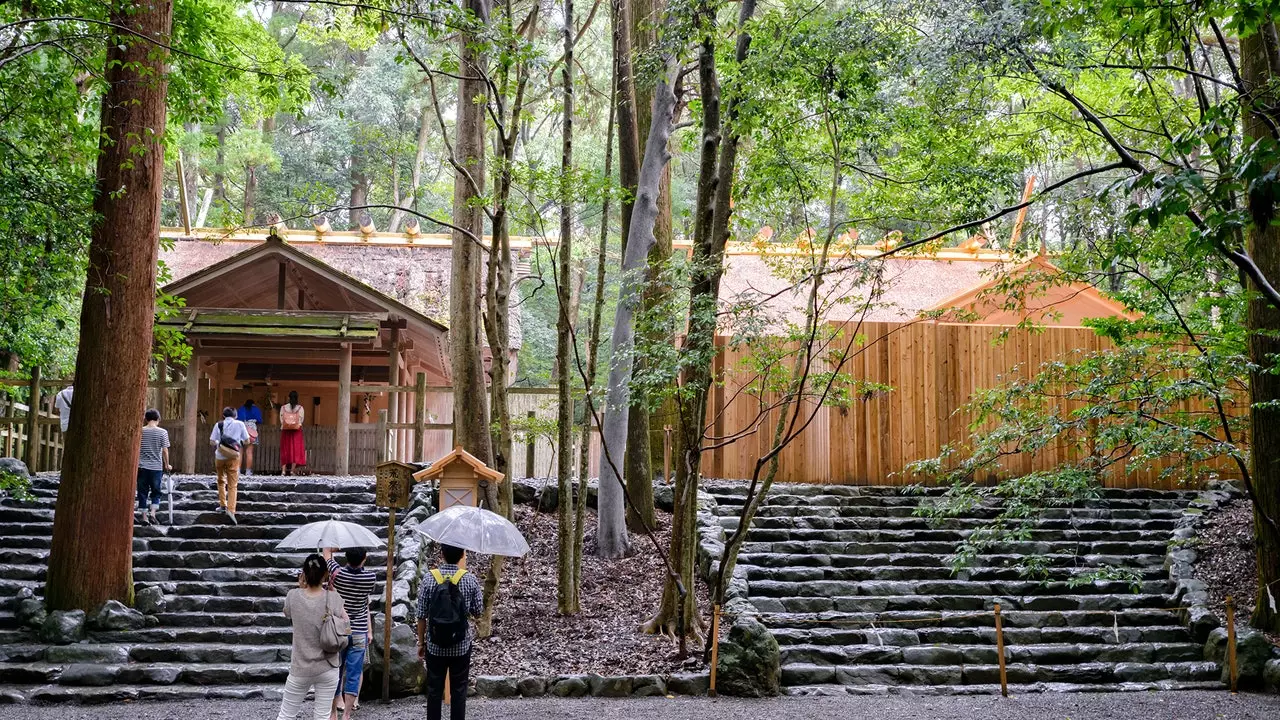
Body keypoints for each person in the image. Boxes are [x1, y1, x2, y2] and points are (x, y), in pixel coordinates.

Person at [416, 544, 482, 720]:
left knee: (434, 690)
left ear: (442, 553)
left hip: (435, 645)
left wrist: (421, 643)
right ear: (462, 555)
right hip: (460, 645)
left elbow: (421, 615)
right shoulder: (469, 579)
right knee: (459, 690)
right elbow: (478, 611)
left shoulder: (430, 579)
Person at [277, 554, 341, 720]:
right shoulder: (333, 598)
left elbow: (287, 613)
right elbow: (345, 624)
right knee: (322, 716)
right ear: (326, 574)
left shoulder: (292, 595)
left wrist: (300, 586)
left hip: (300, 666)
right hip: (328, 665)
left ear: (303, 574)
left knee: (286, 715)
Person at [323, 547, 376, 720]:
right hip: (359, 630)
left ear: (346, 557)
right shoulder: (370, 577)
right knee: (354, 671)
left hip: (340, 629)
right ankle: (347, 714)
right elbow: (365, 601)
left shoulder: (337, 574)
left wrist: (332, 548)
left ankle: (332, 713)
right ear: (365, 558)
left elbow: (327, 555)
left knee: (336, 670)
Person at [210, 407, 248, 524]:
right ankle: (231, 510)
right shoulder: (240, 424)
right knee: (232, 485)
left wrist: (219, 443)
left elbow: (211, 441)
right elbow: (247, 441)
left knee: (221, 480)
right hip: (233, 457)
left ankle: (222, 505)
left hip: (220, 457)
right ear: (235, 415)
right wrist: (237, 443)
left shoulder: (219, 425)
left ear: (223, 415)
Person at [136, 409, 172, 526]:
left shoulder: (140, 431)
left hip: (142, 467)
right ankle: (153, 514)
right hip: (156, 467)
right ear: (158, 419)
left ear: (146, 419)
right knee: (156, 492)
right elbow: (165, 450)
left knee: (142, 492)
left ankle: (144, 517)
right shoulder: (162, 432)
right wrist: (167, 464)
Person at [280, 390, 306, 476]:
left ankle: (283, 471)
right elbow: (301, 420)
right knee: (296, 450)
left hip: (286, 430)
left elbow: (281, 420)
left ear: (289, 398)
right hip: (296, 431)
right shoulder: (300, 408)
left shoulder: (283, 408)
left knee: (285, 450)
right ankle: (292, 470)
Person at [237, 399, 263, 477]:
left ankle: (238, 470)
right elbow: (260, 420)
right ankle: (248, 472)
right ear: (253, 404)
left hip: (241, 429)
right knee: (249, 452)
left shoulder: (241, 409)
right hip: (252, 430)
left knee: (240, 451)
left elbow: (237, 419)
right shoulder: (256, 409)